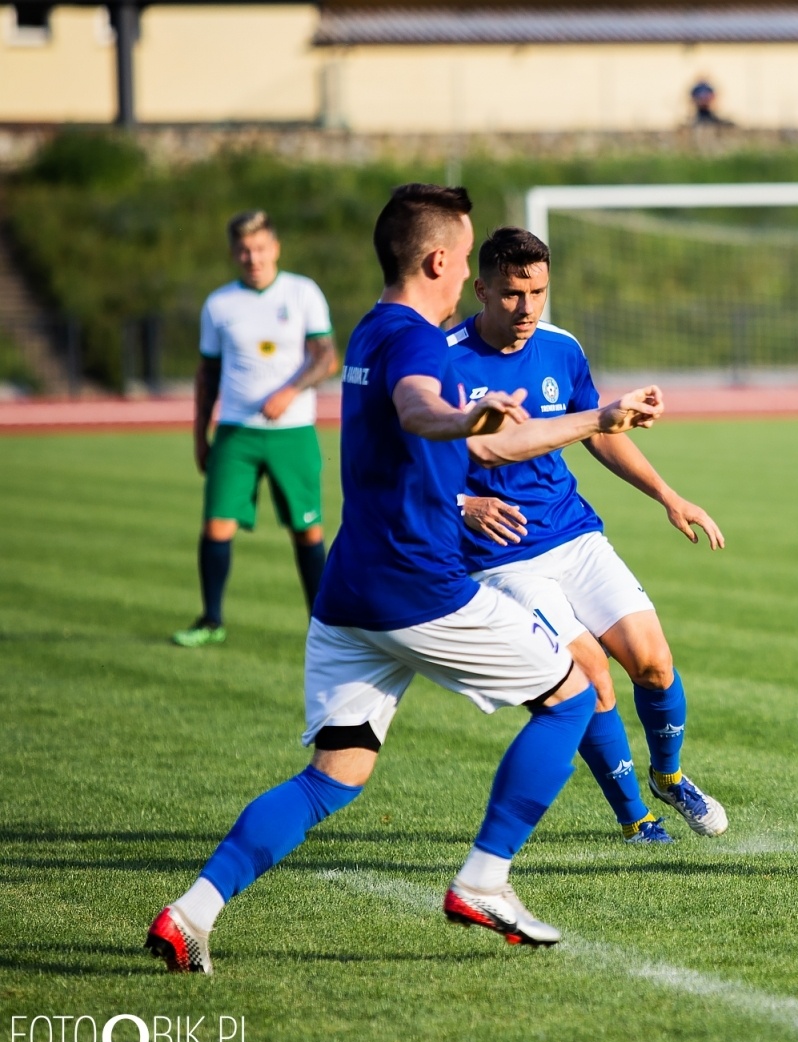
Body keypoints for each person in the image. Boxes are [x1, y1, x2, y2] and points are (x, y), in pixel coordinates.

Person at [144, 184, 664, 974]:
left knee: (335, 773)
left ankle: (191, 912)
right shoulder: (421, 342)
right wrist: (471, 418)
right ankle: (485, 880)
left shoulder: (370, 330)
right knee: (573, 694)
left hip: (347, 594)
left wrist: (553, 420)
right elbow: (425, 411)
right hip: (416, 588)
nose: (465, 281)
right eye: (461, 261)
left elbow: (470, 440)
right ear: (437, 259)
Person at [452, 227, 728, 845]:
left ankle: (669, 776)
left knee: (654, 662)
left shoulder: (560, 347)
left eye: (539, 292)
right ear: (482, 290)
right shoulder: (443, 359)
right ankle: (637, 819)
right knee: (590, 671)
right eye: (511, 294)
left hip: (574, 534)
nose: (526, 309)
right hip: (500, 559)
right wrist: (462, 501)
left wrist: (668, 496)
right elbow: (398, 466)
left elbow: (597, 430)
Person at [173, 211, 339, 648]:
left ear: (276, 248)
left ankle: (321, 625)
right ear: (233, 253)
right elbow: (207, 374)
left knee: (307, 529)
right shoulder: (219, 304)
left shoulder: (302, 293)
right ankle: (210, 620)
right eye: (244, 250)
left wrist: (289, 391)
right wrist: (199, 434)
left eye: (261, 248)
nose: (253, 258)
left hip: (293, 431)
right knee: (216, 526)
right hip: (236, 432)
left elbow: (326, 357)